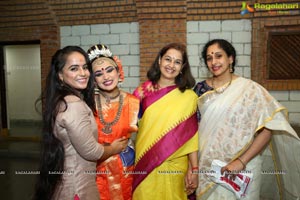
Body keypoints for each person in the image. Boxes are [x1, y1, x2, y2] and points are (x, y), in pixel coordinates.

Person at [194, 39, 300, 199]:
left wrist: (241, 162)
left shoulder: (250, 89)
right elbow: (194, 129)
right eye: (209, 58)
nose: (214, 62)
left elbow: (268, 129)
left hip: (245, 165)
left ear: (231, 58)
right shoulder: (199, 90)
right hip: (210, 166)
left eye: (218, 56)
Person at [33, 46, 128, 200]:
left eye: (85, 67)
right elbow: (91, 151)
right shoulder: (74, 104)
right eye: (74, 68)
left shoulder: (62, 101)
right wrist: (114, 148)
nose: (83, 73)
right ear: (60, 75)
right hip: (78, 188)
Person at [132, 43, 199, 200]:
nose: (171, 65)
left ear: (182, 67)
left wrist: (194, 168)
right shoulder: (143, 91)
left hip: (175, 165)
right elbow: (130, 124)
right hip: (146, 161)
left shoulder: (189, 97)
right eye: (168, 59)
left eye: (177, 62)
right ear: (160, 61)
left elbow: (192, 137)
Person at [87, 44, 139, 200]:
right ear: (93, 80)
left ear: (118, 71)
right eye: (99, 74)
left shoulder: (134, 102)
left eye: (110, 70)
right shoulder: (87, 105)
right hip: (95, 170)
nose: (106, 77)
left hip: (126, 169)